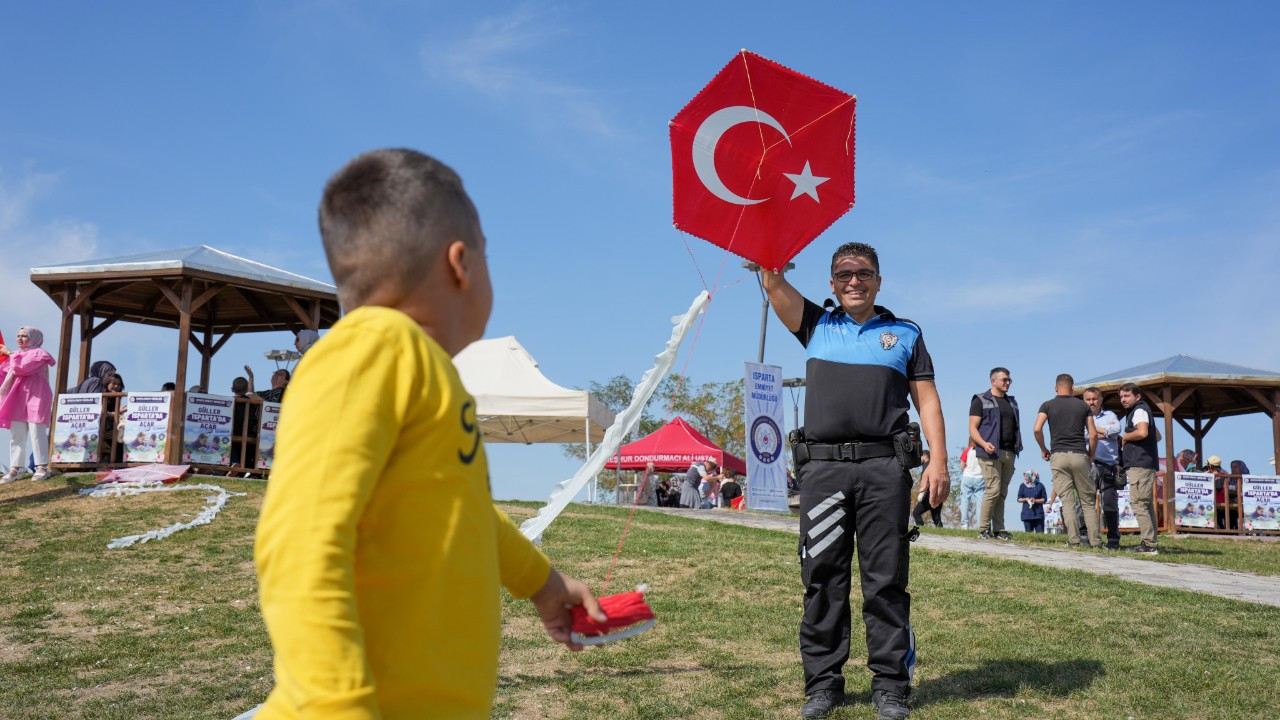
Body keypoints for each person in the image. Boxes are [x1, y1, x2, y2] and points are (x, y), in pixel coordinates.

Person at [253, 148, 603, 720]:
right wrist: (334, 705)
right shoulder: (370, 350)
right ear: (460, 263)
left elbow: (462, 511)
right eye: (488, 255)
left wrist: (543, 583)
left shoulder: (425, 371)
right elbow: (299, 538)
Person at [763, 241, 948, 720]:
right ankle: (823, 686)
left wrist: (938, 461)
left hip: (884, 471)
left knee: (885, 580)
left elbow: (927, 399)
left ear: (878, 281)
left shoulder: (905, 333)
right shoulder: (817, 324)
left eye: (863, 273)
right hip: (823, 473)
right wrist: (771, 260)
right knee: (822, 578)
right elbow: (775, 287)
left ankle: (891, 687)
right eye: (844, 273)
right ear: (831, 283)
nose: (854, 281)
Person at [1033, 374, 1100, 548]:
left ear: (1056, 388)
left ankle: (1074, 541)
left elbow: (1037, 428)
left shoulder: (1047, 405)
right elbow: (1093, 434)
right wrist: (1090, 456)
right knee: (1087, 501)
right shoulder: (1083, 406)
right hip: (1079, 454)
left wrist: (1043, 449)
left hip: (1058, 455)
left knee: (1068, 501)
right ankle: (1096, 542)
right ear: (1072, 388)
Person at [0, 327, 57, 483]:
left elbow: (22, 368)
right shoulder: (17, 356)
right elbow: (4, 372)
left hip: (37, 396)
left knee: (36, 431)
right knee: (16, 433)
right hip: (18, 397)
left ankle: (42, 467)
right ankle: (16, 468)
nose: (19, 338)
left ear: (35, 338)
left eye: (24, 336)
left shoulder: (40, 354)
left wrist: (10, 353)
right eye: (18, 335)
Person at [970, 367, 1021, 541]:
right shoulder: (980, 400)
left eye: (1009, 380)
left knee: (1002, 492)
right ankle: (984, 529)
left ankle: (999, 530)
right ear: (993, 381)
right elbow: (972, 429)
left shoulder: (1012, 402)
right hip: (989, 453)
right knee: (993, 490)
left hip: (1009, 452)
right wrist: (984, 444)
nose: (1008, 383)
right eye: (1004, 380)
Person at [1119, 383, 1160, 555]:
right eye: (1121, 397)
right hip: (1145, 463)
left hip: (1140, 464)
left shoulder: (1139, 411)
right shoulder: (1142, 411)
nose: (1123, 400)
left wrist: (1126, 437)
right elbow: (1157, 436)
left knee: (1138, 503)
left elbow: (1143, 432)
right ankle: (1149, 542)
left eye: (1127, 396)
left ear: (1137, 396)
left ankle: (1149, 545)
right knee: (1146, 504)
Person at [1084, 387, 1123, 549]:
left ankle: (1113, 538)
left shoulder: (1110, 415)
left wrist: (1092, 431)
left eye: (1094, 399)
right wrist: (1105, 432)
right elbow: (1082, 435)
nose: (1092, 402)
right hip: (1089, 464)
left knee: (1109, 503)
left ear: (1100, 400)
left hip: (1109, 465)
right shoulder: (1081, 417)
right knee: (1086, 502)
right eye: (1088, 399)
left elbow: (1116, 430)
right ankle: (1086, 536)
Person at [910, 450, 942, 527]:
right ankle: (941, 531)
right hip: (937, 493)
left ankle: (921, 529)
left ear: (925, 456)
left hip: (928, 494)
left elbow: (927, 481)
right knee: (936, 518)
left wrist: (921, 493)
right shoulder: (934, 466)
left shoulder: (926, 466)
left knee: (916, 513)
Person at [957, 442, 985, 529]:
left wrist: (967, 470)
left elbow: (962, 466)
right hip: (979, 478)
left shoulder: (967, 450)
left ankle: (964, 524)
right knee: (980, 502)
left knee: (965, 500)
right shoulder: (983, 451)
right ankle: (980, 524)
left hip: (967, 477)